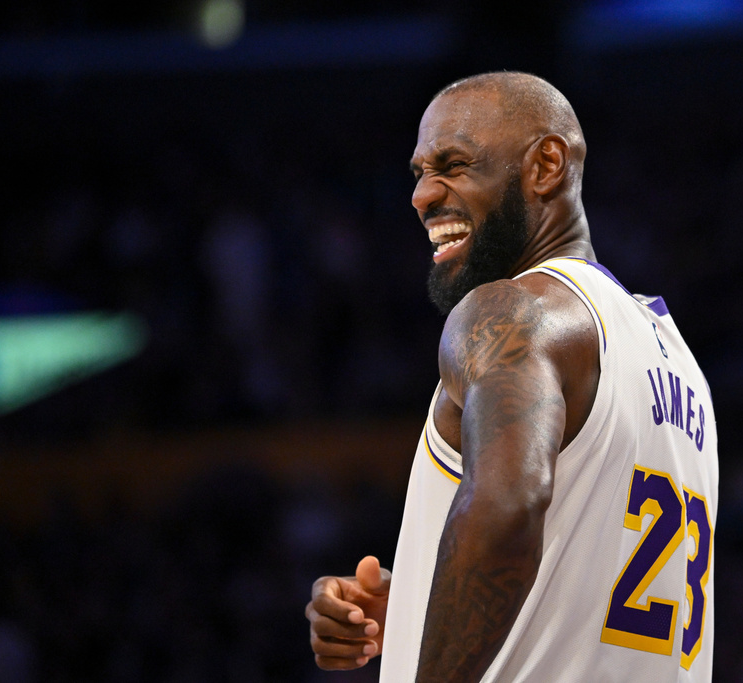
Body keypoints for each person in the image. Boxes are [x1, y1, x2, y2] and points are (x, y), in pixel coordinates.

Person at [306, 71, 719, 682]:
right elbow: (588, 568)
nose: (422, 195)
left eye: (453, 165)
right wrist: (420, 598)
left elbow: (506, 509)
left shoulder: (513, 311)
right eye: (419, 172)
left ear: (546, 165)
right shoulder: (674, 360)